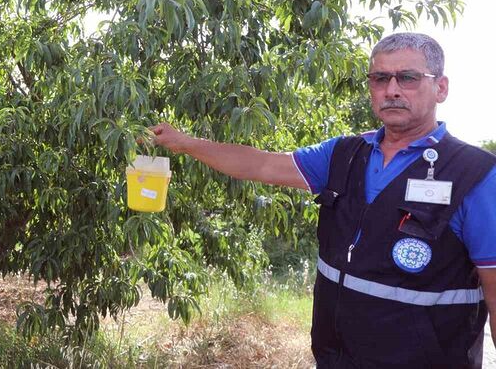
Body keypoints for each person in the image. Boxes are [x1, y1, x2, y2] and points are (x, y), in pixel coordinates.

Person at [150, 33, 496, 368]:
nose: (391, 90)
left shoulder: (475, 174)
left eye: (407, 78)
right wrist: (182, 143)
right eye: (380, 78)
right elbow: (261, 163)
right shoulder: (343, 154)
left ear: (441, 87)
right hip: (336, 359)